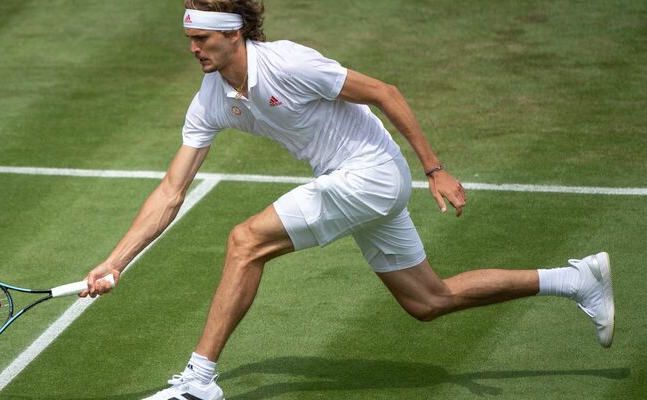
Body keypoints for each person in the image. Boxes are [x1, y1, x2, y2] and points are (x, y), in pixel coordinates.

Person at [80, 1, 615, 399]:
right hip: (353, 180)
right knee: (428, 302)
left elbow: (385, 93)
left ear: (234, 34)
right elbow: (171, 192)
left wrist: (434, 168)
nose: (193, 49)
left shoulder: (289, 64)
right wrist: (114, 261)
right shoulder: (212, 99)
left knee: (245, 241)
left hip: (371, 174)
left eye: (201, 39)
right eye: (190, 40)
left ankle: (198, 381)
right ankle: (577, 279)